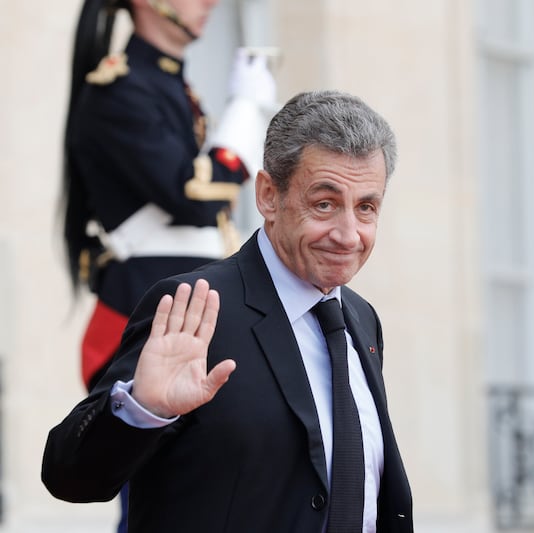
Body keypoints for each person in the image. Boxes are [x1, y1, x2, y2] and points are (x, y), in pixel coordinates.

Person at [43, 90, 414, 533]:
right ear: (268, 196)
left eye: (366, 208)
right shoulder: (193, 306)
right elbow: (71, 475)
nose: (348, 235)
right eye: (325, 204)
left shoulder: (360, 318)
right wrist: (143, 410)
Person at [61, 1, 276, 530]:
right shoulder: (119, 89)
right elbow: (194, 196)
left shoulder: (167, 86)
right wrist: (245, 112)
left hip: (190, 313)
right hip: (148, 318)